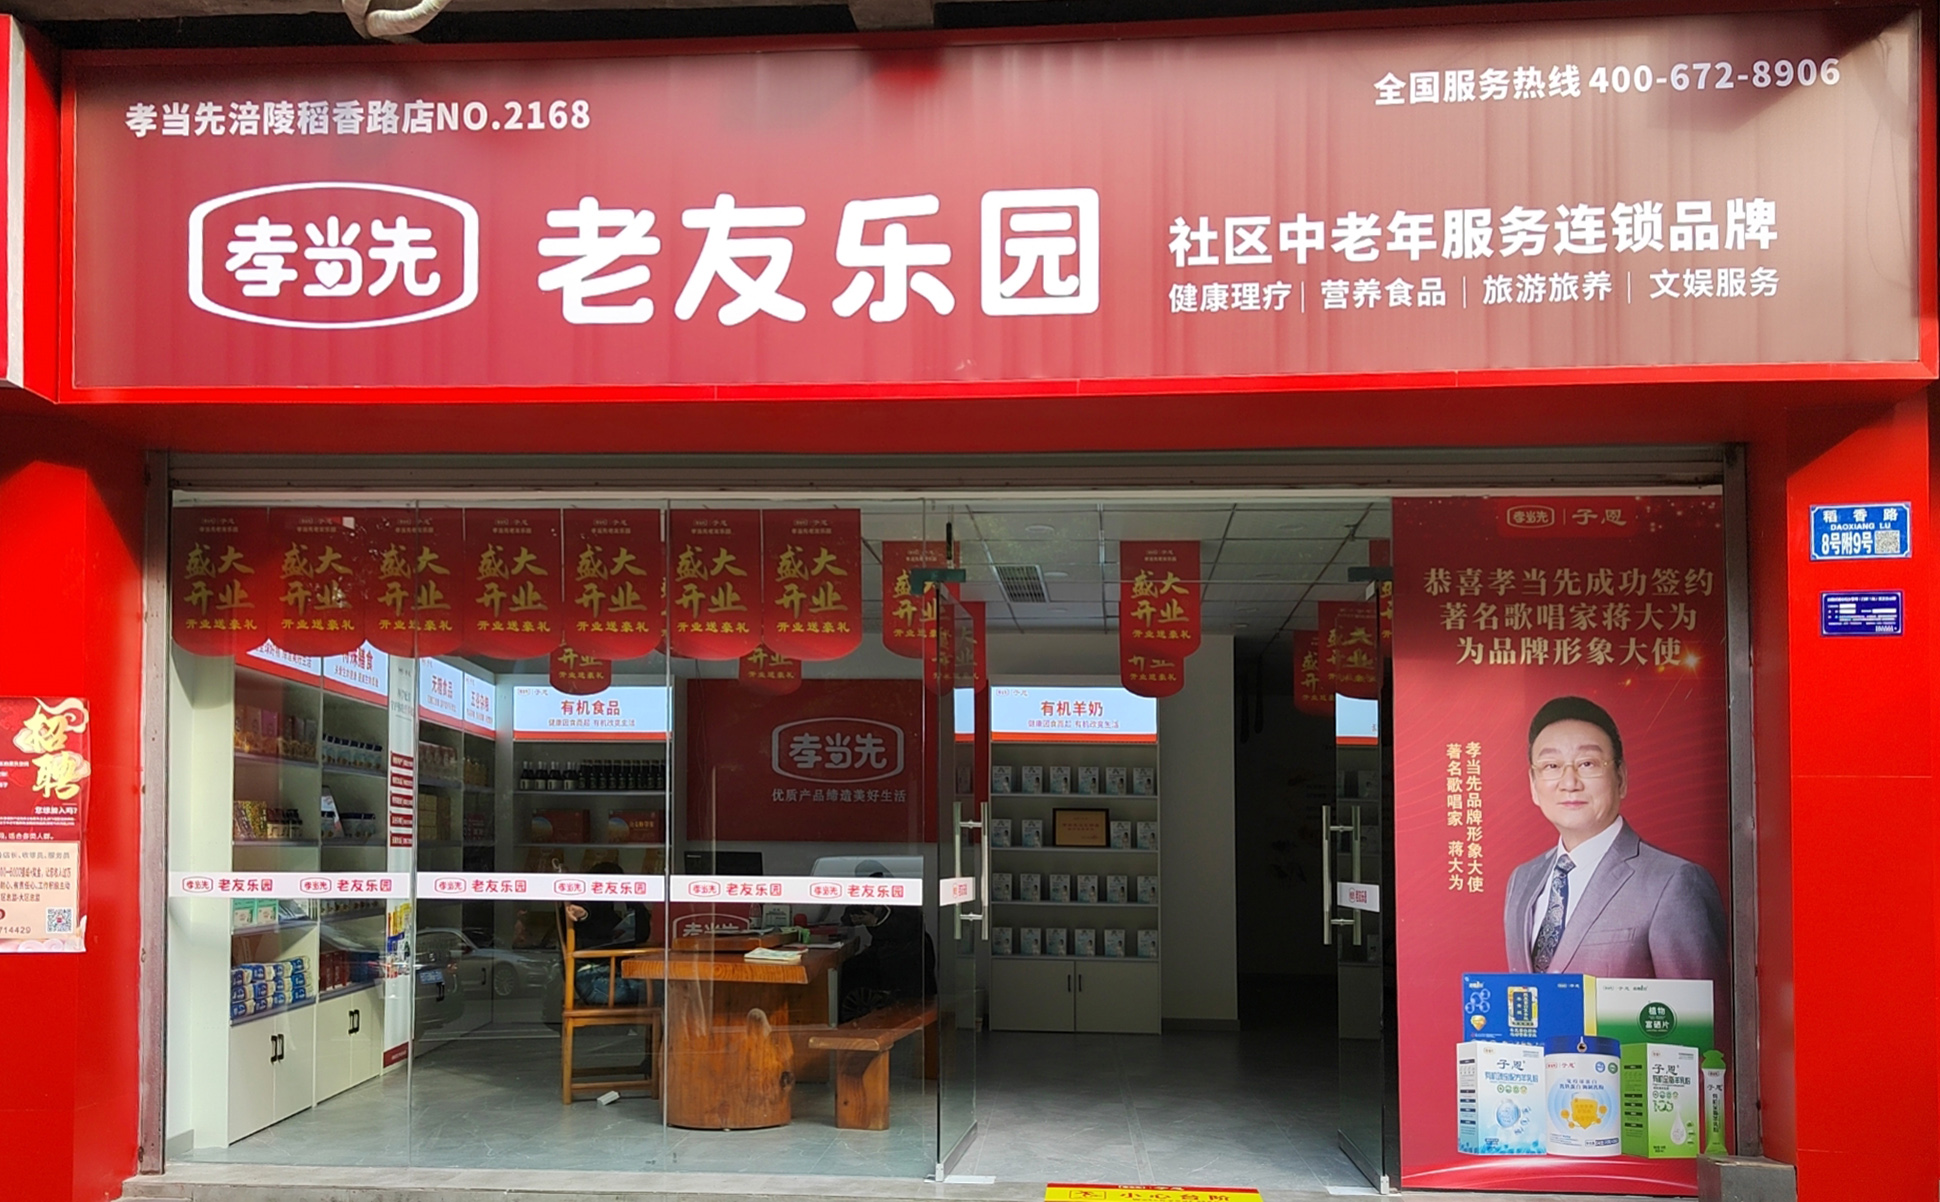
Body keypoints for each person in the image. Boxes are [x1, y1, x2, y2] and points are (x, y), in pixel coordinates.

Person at [1502, 696, 1726, 982]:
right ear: (1534, 785)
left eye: (1587, 763)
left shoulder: (1674, 883)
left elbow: (1699, 1009)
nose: (1569, 783)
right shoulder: (1522, 880)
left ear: (1620, 778)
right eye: (1551, 766)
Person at [837, 862, 937, 1023]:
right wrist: (855, 917)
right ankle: (846, 1018)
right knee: (847, 969)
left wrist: (875, 921)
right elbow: (846, 917)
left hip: (907, 953)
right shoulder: (865, 896)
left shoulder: (900, 897)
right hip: (881, 951)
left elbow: (907, 928)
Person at [563, 862, 653, 1005]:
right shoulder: (584, 906)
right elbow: (583, 912)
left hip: (603, 976)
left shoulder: (608, 914)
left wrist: (631, 899)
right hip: (594, 980)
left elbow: (641, 934)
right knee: (661, 988)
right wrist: (582, 913)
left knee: (658, 987)